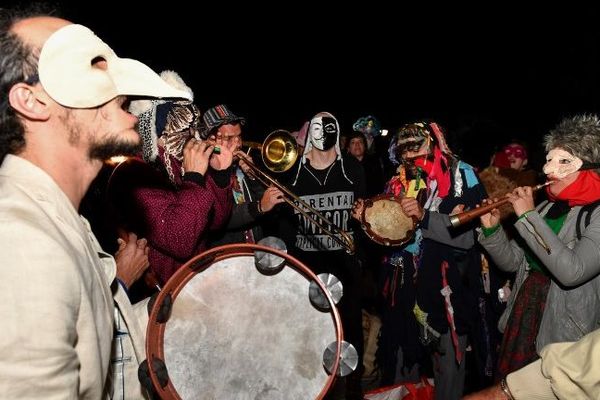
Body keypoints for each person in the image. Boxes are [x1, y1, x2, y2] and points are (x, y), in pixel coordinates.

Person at [0, 7, 190, 398]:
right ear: (32, 101)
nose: (118, 85)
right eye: (90, 65)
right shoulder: (21, 241)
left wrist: (196, 312)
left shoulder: (60, 219)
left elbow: (100, 349)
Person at [353, 121, 487, 399]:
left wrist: (424, 217)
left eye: (416, 147)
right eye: (403, 150)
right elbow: (390, 236)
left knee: (447, 370)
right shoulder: (399, 179)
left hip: (447, 287)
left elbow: (468, 238)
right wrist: (368, 220)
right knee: (404, 362)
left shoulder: (463, 176)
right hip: (403, 284)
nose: (410, 155)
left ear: (435, 143)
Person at [476, 114, 600, 381]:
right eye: (548, 160)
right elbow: (512, 263)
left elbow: (572, 272)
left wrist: (527, 218)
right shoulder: (545, 207)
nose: (548, 170)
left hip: (567, 329)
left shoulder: (597, 213)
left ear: (589, 166)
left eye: (563, 162)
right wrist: (492, 229)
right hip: (526, 308)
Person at [110, 74, 235, 286]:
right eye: (185, 127)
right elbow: (180, 240)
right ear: (159, 127)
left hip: (197, 284)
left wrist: (220, 176)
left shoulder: (178, 162)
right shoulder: (133, 173)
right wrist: (194, 178)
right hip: (166, 295)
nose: (193, 134)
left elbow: (216, 222)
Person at [284, 111, 366, 399]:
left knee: (351, 334)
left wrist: (362, 216)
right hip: (307, 271)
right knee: (312, 336)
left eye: (329, 127)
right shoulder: (293, 172)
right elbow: (283, 225)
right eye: (318, 127)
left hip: (346, 269)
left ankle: (353, 391)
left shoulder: (353, 170)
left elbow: (365, 218)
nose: (323, 133)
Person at [202, 104, 285, 246]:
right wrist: (259, 207)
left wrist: (253, 177)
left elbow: (272, 210)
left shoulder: (239, 166)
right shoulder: (203, 173)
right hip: (224, 259)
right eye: (229, 138)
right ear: (211, 140)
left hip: (253, 251)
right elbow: (219, 219)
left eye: (239, 136)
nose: (238, 144)